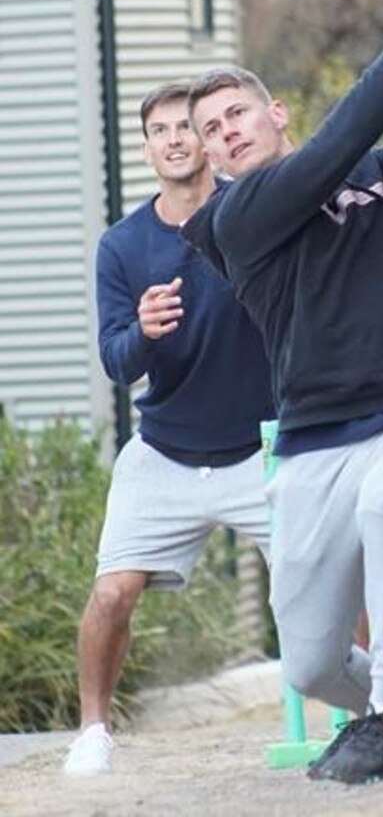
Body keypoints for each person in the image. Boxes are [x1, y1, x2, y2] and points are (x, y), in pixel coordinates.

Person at [181, 0, 383, 784]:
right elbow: (326, 157)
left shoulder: (374, 175)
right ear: (213, 157)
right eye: (212, 132)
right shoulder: (230, 223)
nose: (226, 134)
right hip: (316, 445)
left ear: (276, 113)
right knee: (311, 663)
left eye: (237, 116)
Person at [64, 82, 274, 776]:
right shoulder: (122, 248)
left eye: (188, 126)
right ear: (148, 146)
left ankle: (373, 713)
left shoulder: (253, 212)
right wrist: (146, 335)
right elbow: (116, 362)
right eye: (161, 130)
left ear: (209, 139)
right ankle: (93, 731)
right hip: (166, 451)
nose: (177, 138)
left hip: (262, 448)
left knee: (335, 569)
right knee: (111, 593)